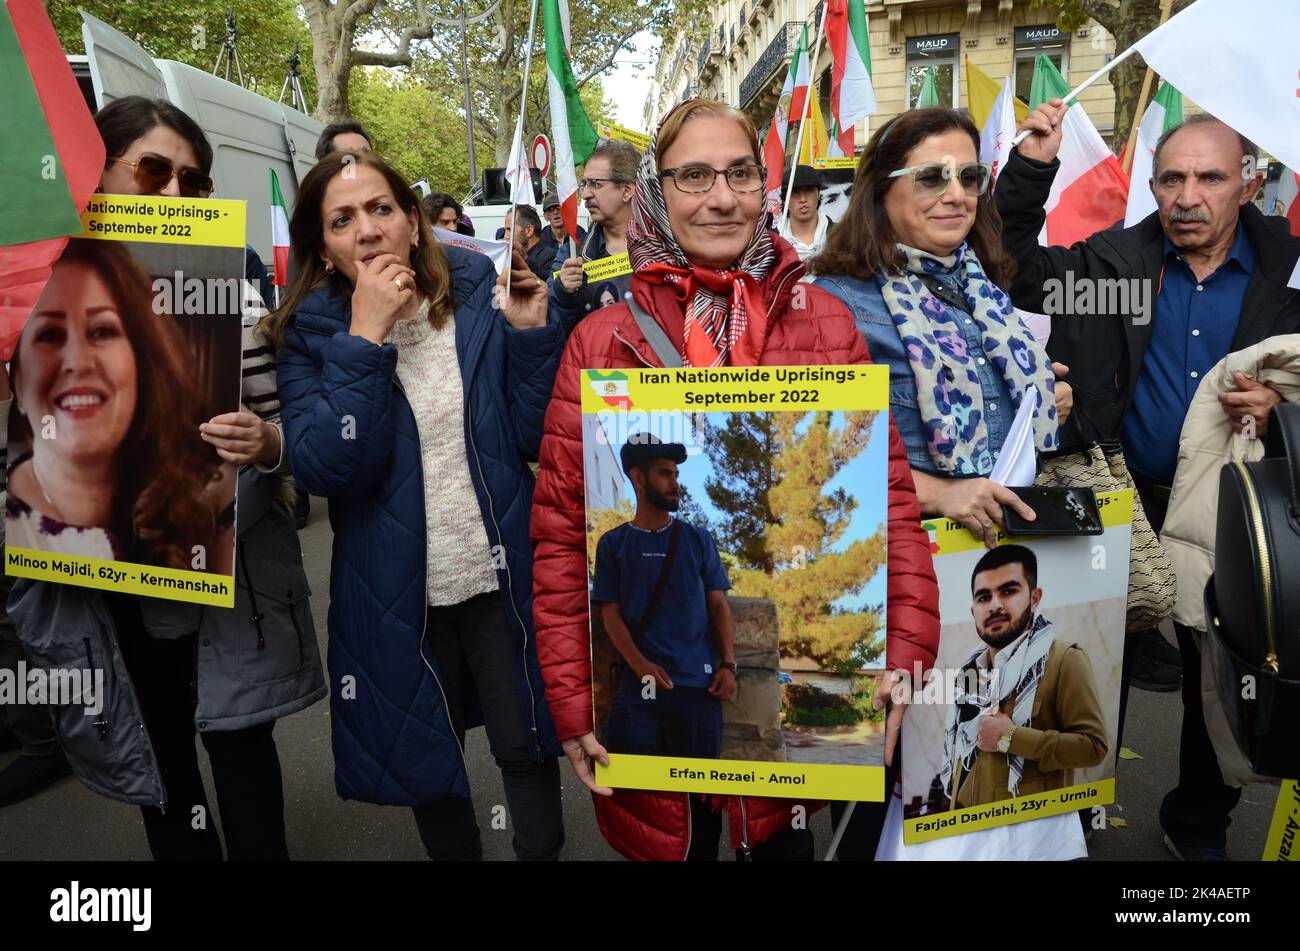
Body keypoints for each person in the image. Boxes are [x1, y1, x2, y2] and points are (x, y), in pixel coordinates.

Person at [531, 98, 940, 862]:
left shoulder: (828, 325)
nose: (721, 197)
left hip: (778, 719)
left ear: (764, 183)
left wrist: (905, 650)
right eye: (693, 175)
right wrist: (571, 698)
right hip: (656, 711)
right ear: (656, 190)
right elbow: (559, 538)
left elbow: (889, 499)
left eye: (740, 173)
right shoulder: (599, 342)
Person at [5, 98, 325, 860]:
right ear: (98, 176)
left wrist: (265, 443)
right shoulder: (32, 302)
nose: (176, 195)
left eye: (195, 181)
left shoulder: (236, 293)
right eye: (153, 171)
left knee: (243, 753)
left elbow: (290, 439)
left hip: (225, 574)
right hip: (109, 593)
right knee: (163, 767)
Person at [998, 105, 1300, 859]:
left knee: (1220, 683)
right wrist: (1032, 166)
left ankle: (1197, 822)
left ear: (1249, 184)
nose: (1187, 196)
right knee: (1091, 672)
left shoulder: (1289, 275)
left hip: (1234, 506)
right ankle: (1074, 818)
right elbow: (1009, 264)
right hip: (1113, 502)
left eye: (1210, 177)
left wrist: (1287, 401)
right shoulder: (1116, 272)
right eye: (1172, 177)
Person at [267, 150, 568, 861]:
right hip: (396, 591)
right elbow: (331, 465)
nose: (367, 230)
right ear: (325, 248)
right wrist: (364, 337)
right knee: (429, 763)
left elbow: (535, 436)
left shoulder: (475, 293)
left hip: (502, 573)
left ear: (411, 218)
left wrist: (530, 337)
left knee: (525, 740)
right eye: (343, 220)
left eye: (380, 209)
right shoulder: (309, 333)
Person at [811, 107, 1073, 859]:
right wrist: (937, 491)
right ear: (879, 191)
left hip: (988, 572)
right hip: (896, 583)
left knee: (983, 780)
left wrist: (1041, 398)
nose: (956, 192)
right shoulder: (834, 299)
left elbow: (1002, 410)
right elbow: (828, 451)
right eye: (930, 176)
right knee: (891, 783)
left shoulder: (980, 283)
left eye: (969, 175)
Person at [592, 435, 735, 758]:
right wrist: (640, 664)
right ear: (638, 478)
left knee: (703, 795)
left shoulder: (698, 540)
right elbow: (609, 613)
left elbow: (718, 605)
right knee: (631, 791)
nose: (675, 483)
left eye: (676, 474)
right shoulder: (613, 545)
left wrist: (728, 665)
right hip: (638, 686)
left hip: (700, 686)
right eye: (665, 473)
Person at [940, 545, 1108, 810]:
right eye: (983, 597)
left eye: (1008, 591)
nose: (994, 605)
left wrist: (1011, 738)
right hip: (967, 822)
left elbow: (1094, 747)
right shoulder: (969, 674)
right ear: (973, 610)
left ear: (1034, 597)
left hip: (1027, 829)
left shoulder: (1064, 659)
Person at [550, 140, 640, 331]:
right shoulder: (572, 255)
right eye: (585, 184)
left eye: (595, 184)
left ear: (627, 190)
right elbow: (552, 326)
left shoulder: (665, 248)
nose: (586, 195)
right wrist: (562, 292)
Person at [777, 164, 832, 261]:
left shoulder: (841, 237)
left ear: (819, 194)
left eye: (809, 190)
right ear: (785, 198)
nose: (802, 199)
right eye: (795, 192)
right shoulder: (771, 243)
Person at [503, 204, 553, 281]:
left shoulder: (551, 257)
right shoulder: (507, 258)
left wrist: (524, 259)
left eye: (510, 230)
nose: (505, 237)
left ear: (529, 231)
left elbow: (547, 285)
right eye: (505, 230)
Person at [539, 191, 586, 258]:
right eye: (550, 210)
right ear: (545, 216)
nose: (555, 212)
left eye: (559, 208)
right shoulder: (542, 238)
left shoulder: (580, 234)